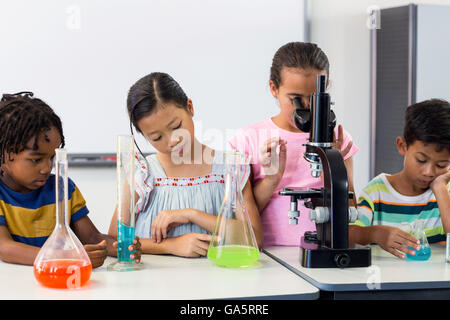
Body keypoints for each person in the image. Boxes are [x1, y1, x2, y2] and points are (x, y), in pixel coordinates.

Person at [108, 72, 263, 258]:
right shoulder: (143, 173)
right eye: (156, 137)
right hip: (155, 283)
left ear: (190, 107)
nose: (172, 141)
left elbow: (254, 239)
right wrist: (171, 245)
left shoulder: (230, 168)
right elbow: (115, 240)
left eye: (176, 126)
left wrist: (192, 214)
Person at [229, 42, 358, 246]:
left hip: (323, 248)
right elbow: (240, 218)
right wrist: (271, 180)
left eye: (313, 99)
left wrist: (333, 166)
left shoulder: (339, 139)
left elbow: (350, 213)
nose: (305, 108)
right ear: (273, 88)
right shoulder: (247, 139)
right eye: (296, 99)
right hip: (270, 254)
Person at [0, 92, 141, 268]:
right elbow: (5, 249)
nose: (47, 168)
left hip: (60, 282)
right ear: (3, 155)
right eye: (36, 159)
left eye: (52, 157)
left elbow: (92, 238)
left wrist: (123, 247)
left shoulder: (63, 188)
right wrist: (66, 257)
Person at [350, 99, 450, 259]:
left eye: (441, 164)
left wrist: (440, 188)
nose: (429, 172)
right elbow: (350, 233)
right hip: (387, 282)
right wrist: (375, 233)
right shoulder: (377, 192)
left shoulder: (446, 193)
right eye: (421, 160)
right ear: (402, 146)